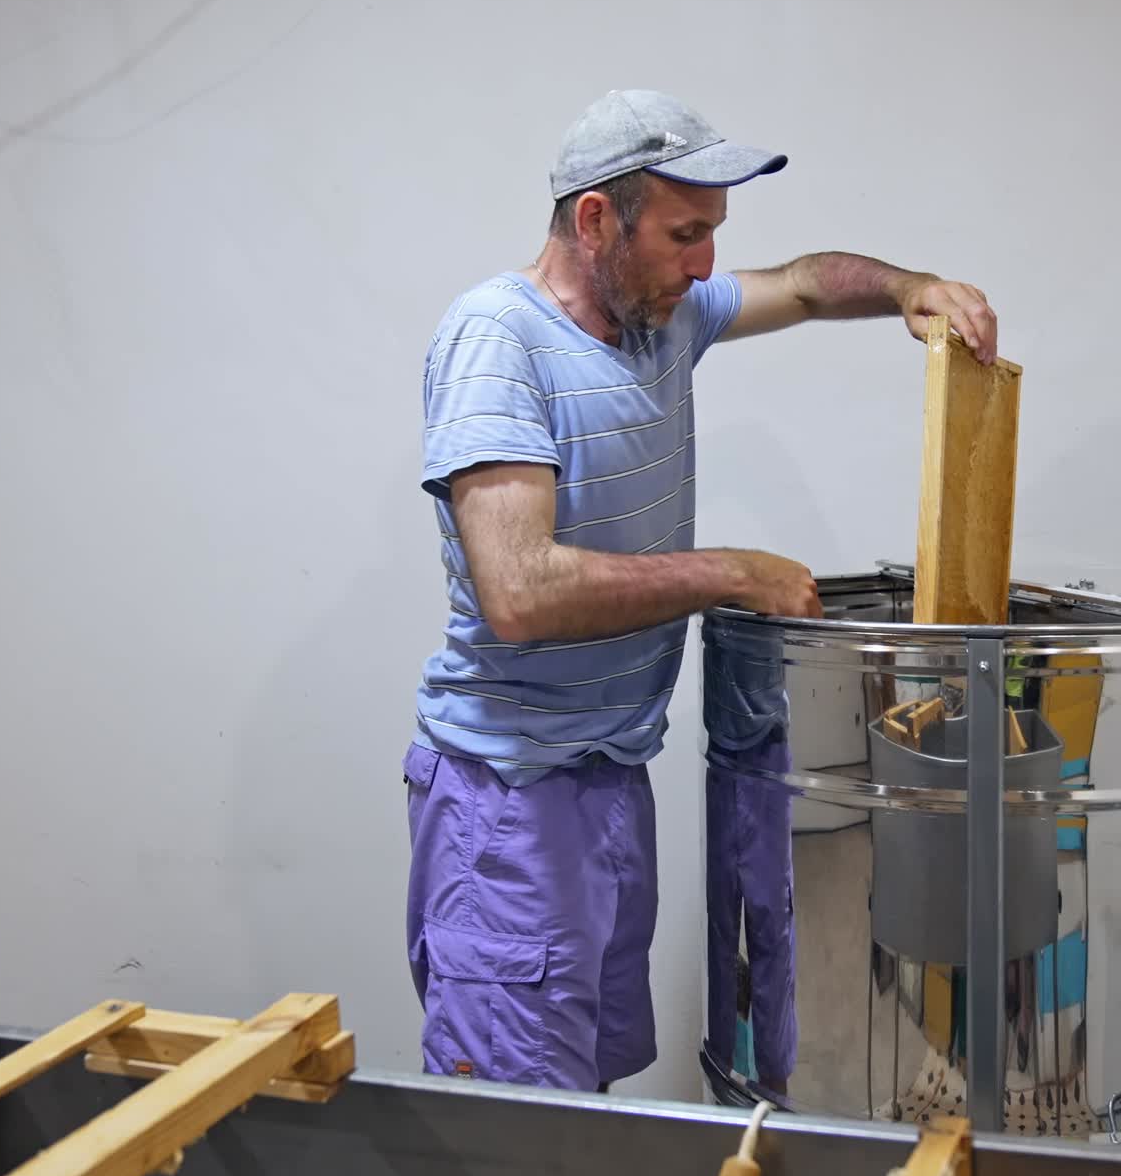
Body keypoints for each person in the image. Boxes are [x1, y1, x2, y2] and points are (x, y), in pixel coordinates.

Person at [403, 89, 998, 1092]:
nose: (706, 265)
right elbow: (519, 590)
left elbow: (806, 283)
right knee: (514, 1130)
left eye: (712, 233)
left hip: (605, 785)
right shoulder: (496, 340)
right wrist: (728, 571)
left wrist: (911, 286)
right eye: (684, 234)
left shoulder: (659, 320)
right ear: (595, 220)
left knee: (580, 1111)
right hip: (508, 807)